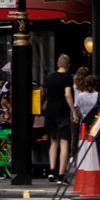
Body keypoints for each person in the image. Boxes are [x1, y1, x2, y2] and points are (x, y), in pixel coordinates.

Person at [45, 53, 75, 182]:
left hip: (50, 112)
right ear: (68, 65)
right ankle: (61, 174)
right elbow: (67, 94)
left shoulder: (50, 77)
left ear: (58, 64)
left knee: (53, 142)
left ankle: (51, 171)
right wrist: (73, 111)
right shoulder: (67, 77)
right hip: (62, 112)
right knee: (64, 143)